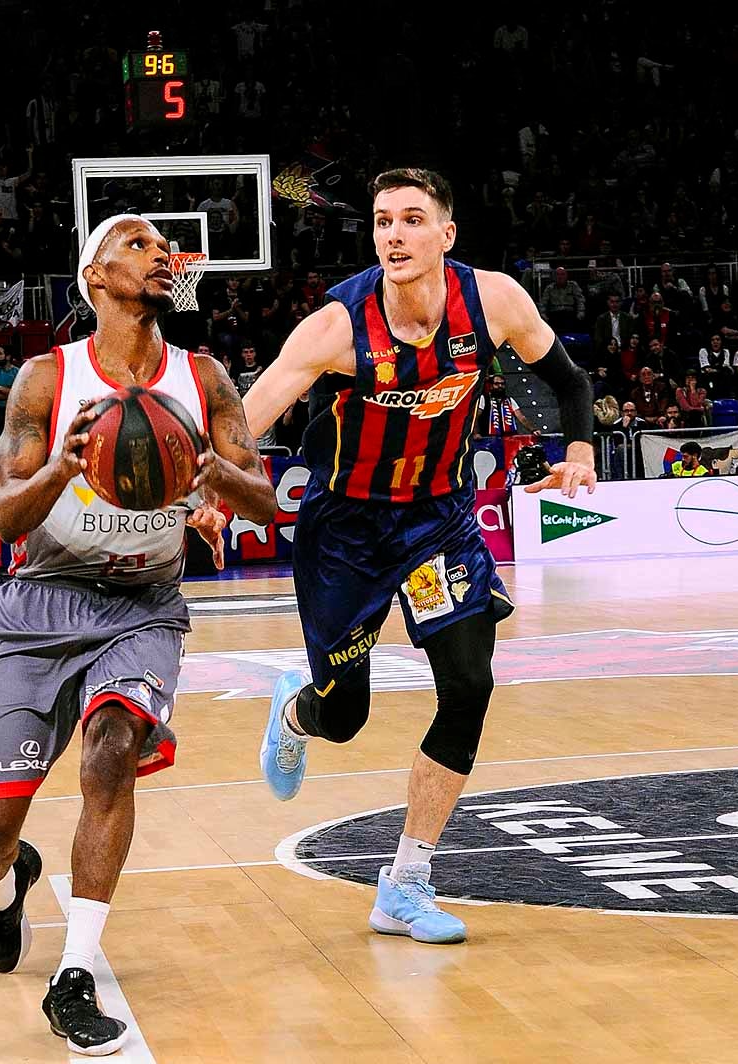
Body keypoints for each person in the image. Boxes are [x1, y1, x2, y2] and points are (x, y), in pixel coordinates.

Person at [242, 168, 596, 945]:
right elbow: (246, 419)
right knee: (346, 716)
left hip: (437, 523)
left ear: (446, 234)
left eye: (410, 219)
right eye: (381, 222)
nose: (394, 234)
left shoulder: (495, 300)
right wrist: (208, 480)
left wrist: (577, 446)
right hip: (346, 531)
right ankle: (297, 713)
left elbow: (567, 380)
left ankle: (405, 881)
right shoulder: (336, 327)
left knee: (469, 684)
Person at [0, 213, 276, 1056]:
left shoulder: (202, 378)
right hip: (41, 602)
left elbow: (269, 500)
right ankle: (7, 887)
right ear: (94, 276)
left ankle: (76, 972)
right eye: (136, 242)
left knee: (111, 750)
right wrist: (64, 463)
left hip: (143, 602)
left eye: (164, 246)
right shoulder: (42, 379)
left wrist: (213, 475)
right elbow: (5, 517)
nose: (160, 252)